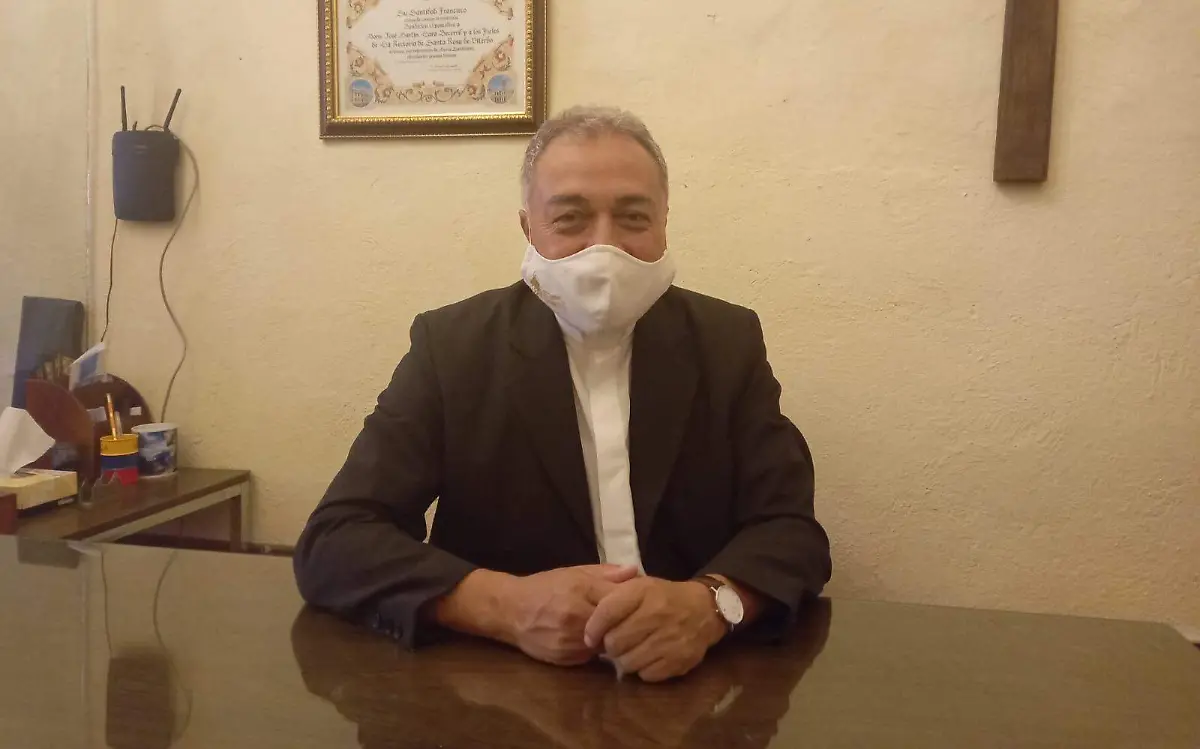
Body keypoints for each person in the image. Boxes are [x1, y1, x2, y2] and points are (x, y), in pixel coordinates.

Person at [293, 106, 832, 682]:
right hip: (501, 690)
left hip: (693, 681)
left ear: (664, 223)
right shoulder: (452, 348)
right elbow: (337, 540)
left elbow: (791, 531)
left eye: (633, 217)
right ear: (528, 228)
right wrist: (504, 606)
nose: (604, 247)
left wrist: (710, 605)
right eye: (570, 218)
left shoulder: (727, 341)